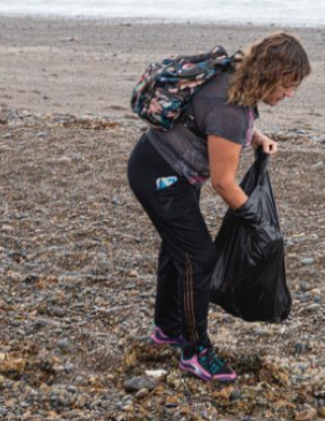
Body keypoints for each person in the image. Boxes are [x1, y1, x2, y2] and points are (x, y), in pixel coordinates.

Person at [126, 32, 311, 382]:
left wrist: (257, 137)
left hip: (159, 166)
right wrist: (258, 222)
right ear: (270, 74)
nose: (289, 94)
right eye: (288, 85)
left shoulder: (234, 74)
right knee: (199, 258)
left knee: (178, 249)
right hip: (161, 176)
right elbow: (224, 183)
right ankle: (195, 352)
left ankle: (167, 329)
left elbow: (211, 119)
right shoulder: (231, 112)